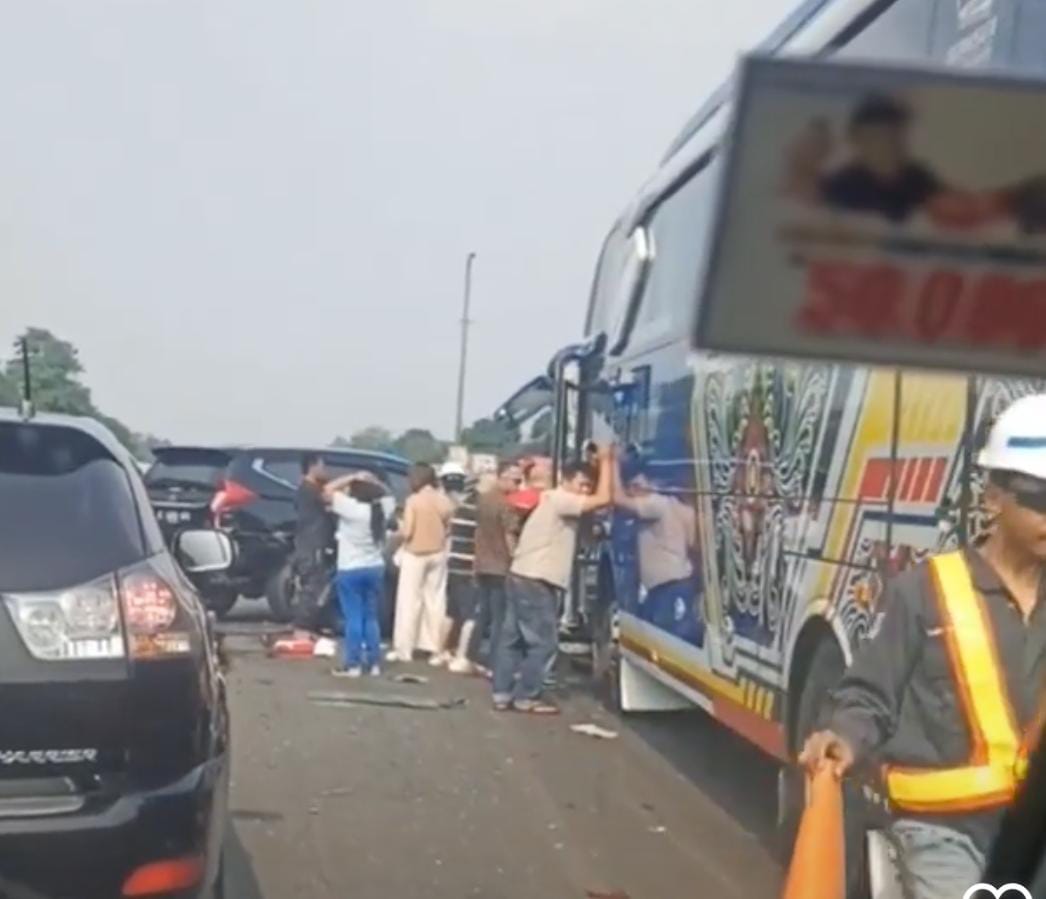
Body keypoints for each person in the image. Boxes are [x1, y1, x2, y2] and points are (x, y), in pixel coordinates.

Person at [800, 393, 1046, 899]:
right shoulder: (924, 592)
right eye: (1039, 497)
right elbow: (870, 695)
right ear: (993, 497)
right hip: (943, 832)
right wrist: (842, 739)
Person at [492, 447, 613, 714]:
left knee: (511, 639)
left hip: (521, 573)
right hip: (537, 578)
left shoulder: (552, 501)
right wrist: (607, 460)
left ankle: (502, 693)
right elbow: (603, 498)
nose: (585, 491)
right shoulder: (561, 499)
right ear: (567, 481)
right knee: (544, 643)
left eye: (588, 486)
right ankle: (527, 695)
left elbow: (589, 531)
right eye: (582, 485)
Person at [817, 94, 1011, 228]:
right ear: (857, 139)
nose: (888, 143)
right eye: (877, 136)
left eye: (894, 134)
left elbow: (951, 203)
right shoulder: (840, 186)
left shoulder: (917, 177)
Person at [612, 463, 702, 643]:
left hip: (667, 585)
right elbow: (694, 544)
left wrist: (611, 462)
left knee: (665, 639)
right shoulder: (680, 507)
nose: (632, 491)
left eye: (635, 486)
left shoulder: (655, 504)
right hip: (676, 582)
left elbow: (619, 500)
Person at [324, 472, 395, 677]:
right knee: (371, 617)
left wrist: (352, 476)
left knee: (353, 617)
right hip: (374, 568)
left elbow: (327, 491)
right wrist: (373, 480)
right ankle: (374, 663)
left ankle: (353, 664)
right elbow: (388, 493)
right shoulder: (383, 508)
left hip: (350, 569)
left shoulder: (351, 509)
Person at [388, 462, 455, 663]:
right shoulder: (444, 501)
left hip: (415, 553)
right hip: (438, 553)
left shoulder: (413, 501)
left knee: (409, 602)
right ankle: (433, 647)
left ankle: (404, 649)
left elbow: (407, 531)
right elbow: (450, 527)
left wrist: (395, 535)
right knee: (435, 601)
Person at [468, 461, 524, 673]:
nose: (518, 486)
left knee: (483, 614)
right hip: (500, 565)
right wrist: (515, 557)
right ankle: (494, 661)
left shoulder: (483, 500)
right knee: (500, 618)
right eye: (515, 480)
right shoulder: (506, 504)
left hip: (483, 562)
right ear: (502, 477)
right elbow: (510, 534)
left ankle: (473, 656)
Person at [292, 452, 333, 641]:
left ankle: (311, 627)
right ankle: (302, 628)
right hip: (311, 544)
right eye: (322, 466)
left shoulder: (309, 489)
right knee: (312, 586)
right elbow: (328, 496)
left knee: (318, 585)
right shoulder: (309, 490)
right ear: (312, 466)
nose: (325, 470)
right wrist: (353, 478)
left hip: (313, 543)